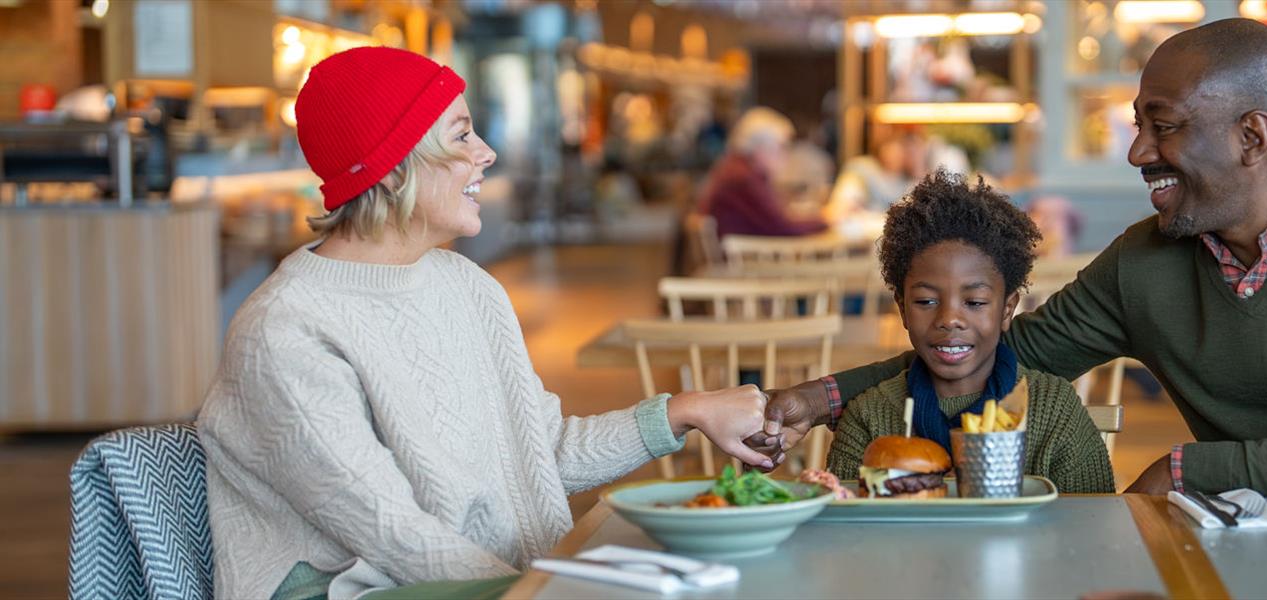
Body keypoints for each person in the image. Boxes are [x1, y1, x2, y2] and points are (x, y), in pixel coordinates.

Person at [754, 19, 1267, 498]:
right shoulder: (1146, 261)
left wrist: (1192, 467)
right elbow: (1004, 354)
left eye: (1163, 127)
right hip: (1253, 531)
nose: (1137, 152)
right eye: (1139, 125)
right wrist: (820, 398)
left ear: (1252, 138)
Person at [197, 48, 774, 600]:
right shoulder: (284, 331)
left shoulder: (467, 287)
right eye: (462, 134)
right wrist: (552, 590)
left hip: (497, 584)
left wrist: (687, 410)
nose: (487, 152)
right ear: (396, 167)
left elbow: (541, 455)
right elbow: (396, 535)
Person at [824, 170, 1115, 494]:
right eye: (925, 301)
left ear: (1007, 309)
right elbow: (844, 530)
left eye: (974, 302)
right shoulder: (868, 418)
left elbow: (1093, 519)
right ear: (903, 308)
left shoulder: (1053, 410)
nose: (950, 319)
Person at [695, 107, 828, 238]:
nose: (786, 154)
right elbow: (784, 229)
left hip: (744, 252)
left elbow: (775, 222)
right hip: (746, 256)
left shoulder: (736, 169)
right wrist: (827, 220)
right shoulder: (742, 179)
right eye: (782, 146)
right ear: (760, 148)